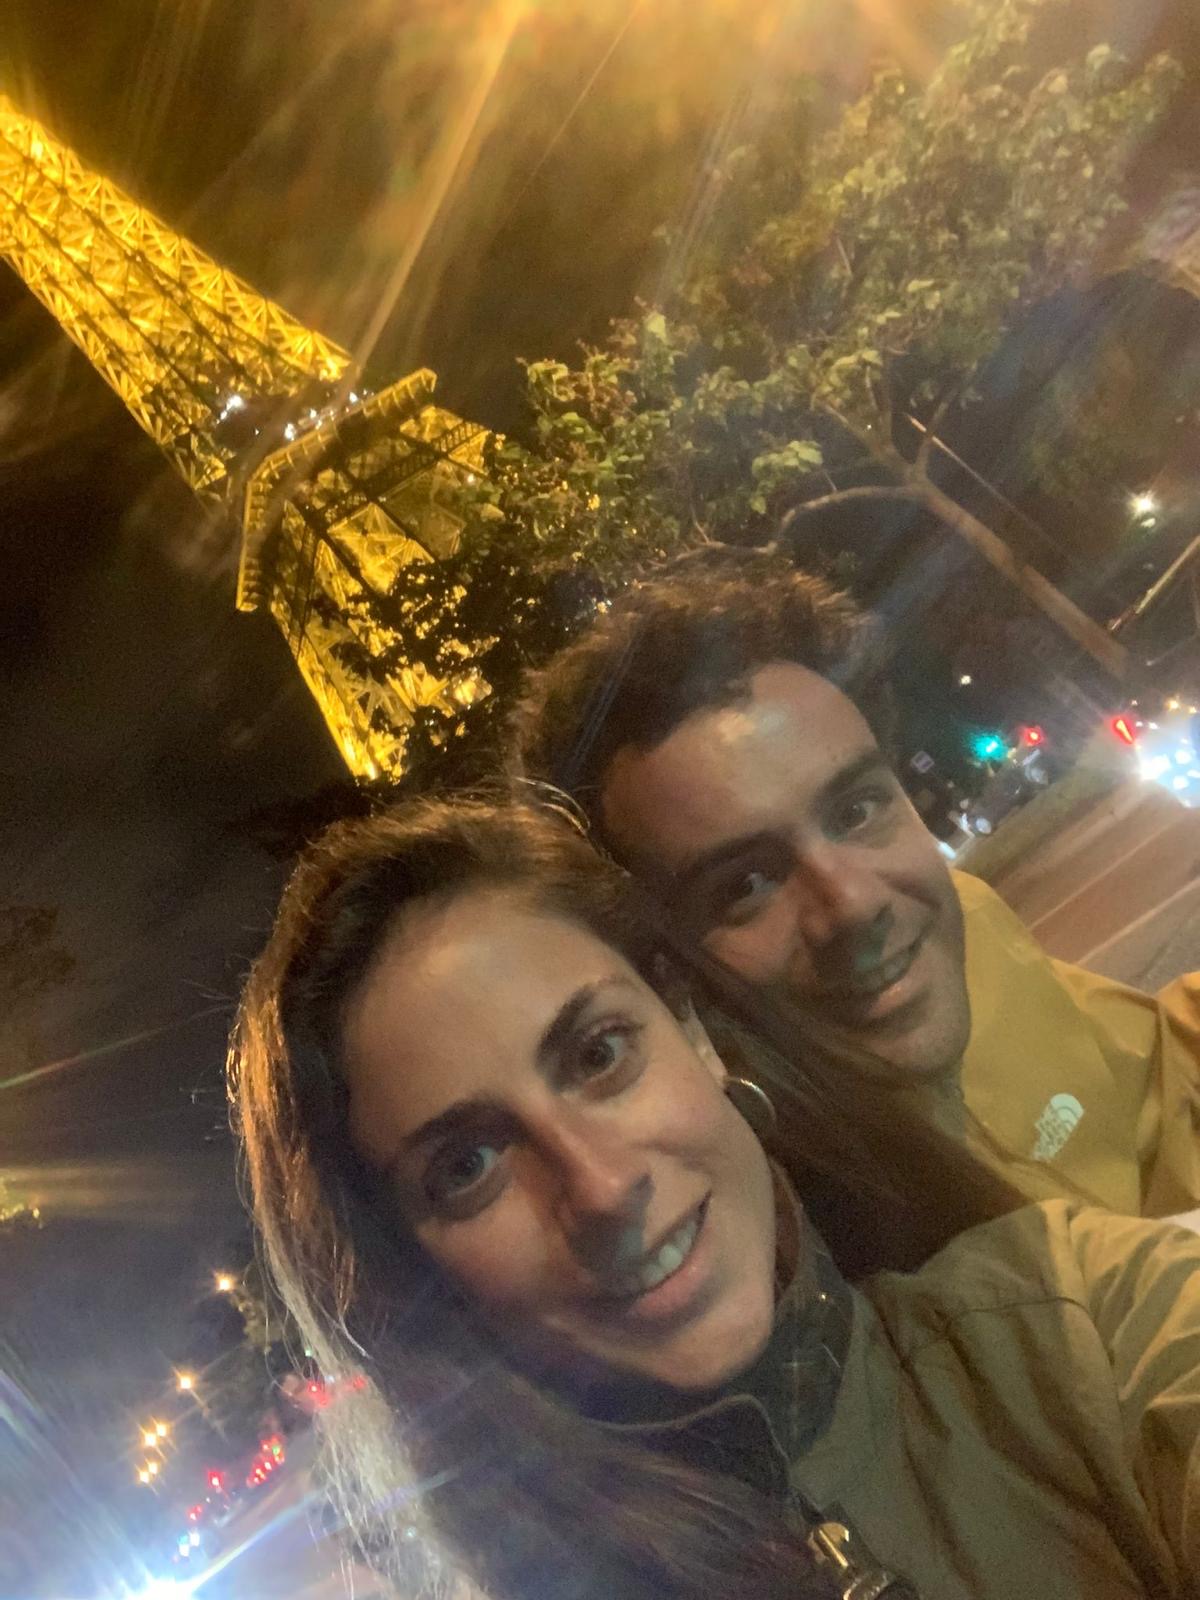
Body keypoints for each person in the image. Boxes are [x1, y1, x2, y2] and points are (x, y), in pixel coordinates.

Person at [232, 796, 1200, 1600]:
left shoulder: (1081, 1324)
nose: (602, 1187)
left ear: (693, 1033)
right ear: (413, 1279)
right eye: (467, 1165)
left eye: (599, 1054)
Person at [513, 548, 1200, 1216]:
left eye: (856, 812)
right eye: (744, 885)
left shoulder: (961, 926)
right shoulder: (783, 1237)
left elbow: (1157, 1066)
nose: (855, 902)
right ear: (669, 974)